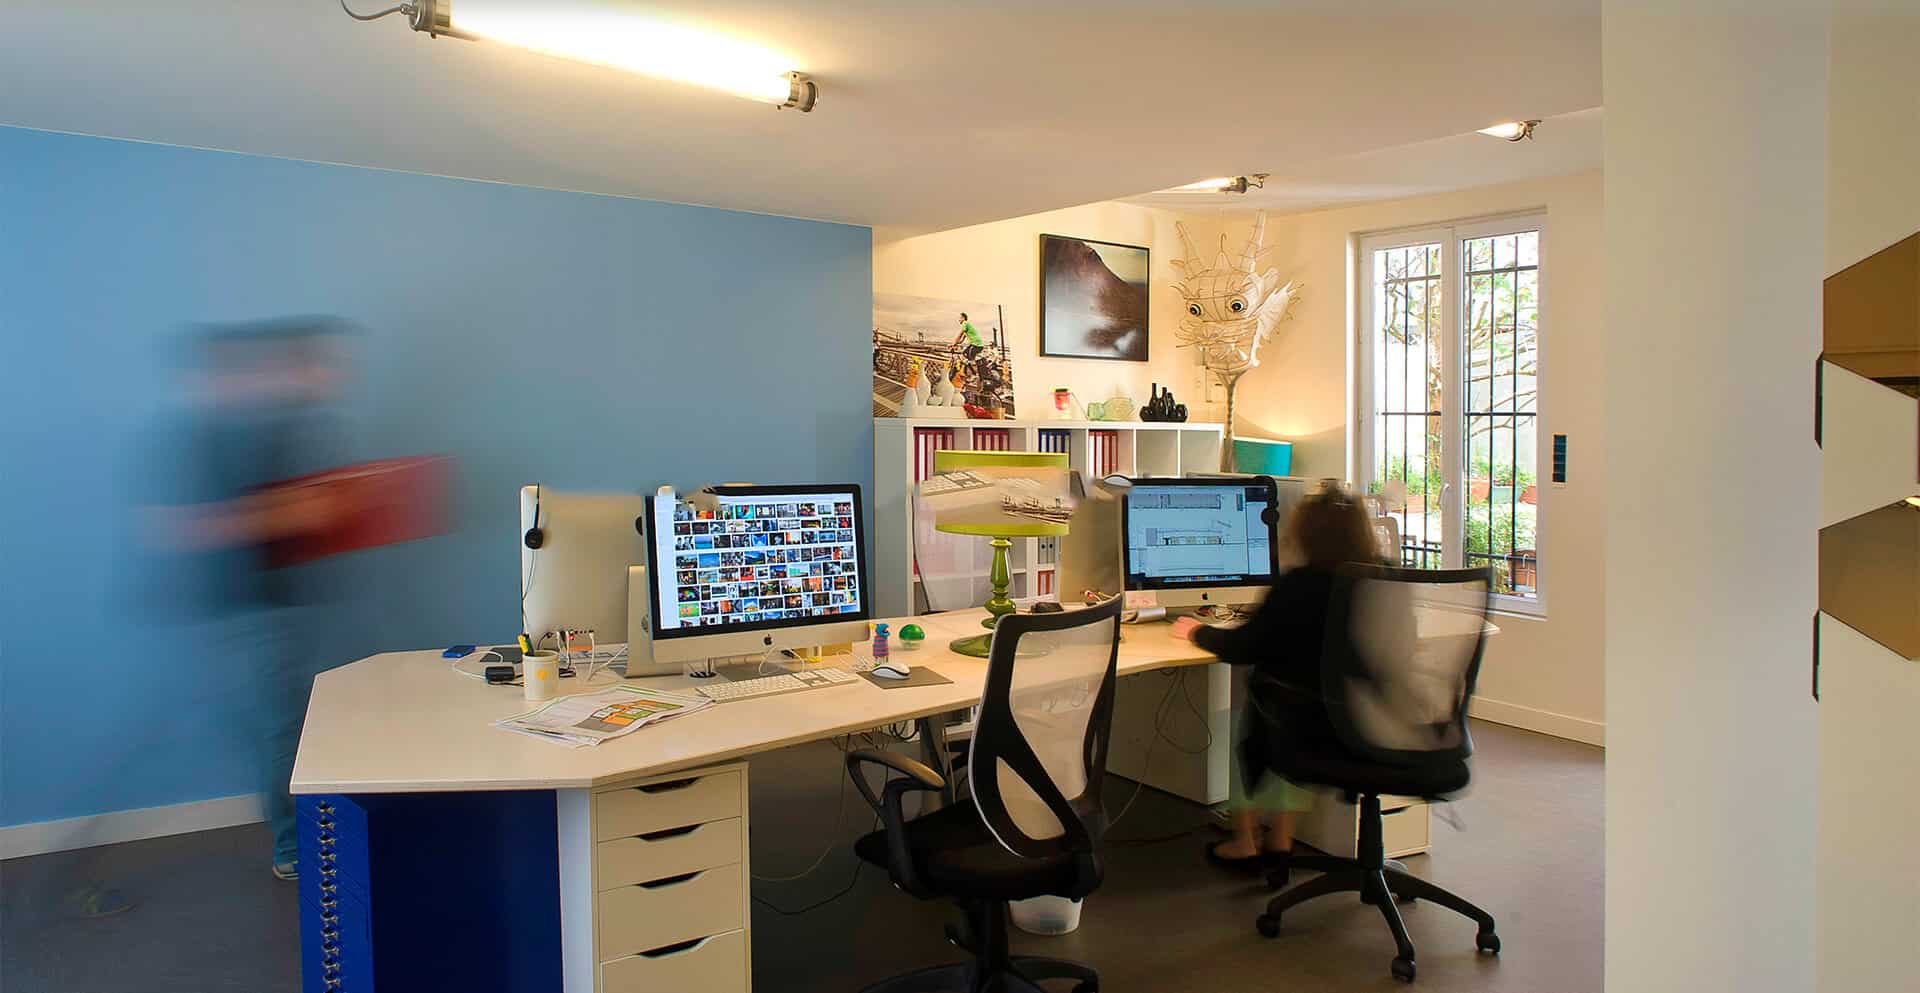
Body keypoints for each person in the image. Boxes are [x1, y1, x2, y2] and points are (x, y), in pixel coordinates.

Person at [1170, 484, 1387, 871]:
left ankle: (1245, 843)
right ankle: (1281, 839)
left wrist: (1197, 631)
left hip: (1304, 730)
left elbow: (1243, 648)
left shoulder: (1299, 585)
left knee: (1261, 718)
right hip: (1367, 728)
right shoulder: (1381, 583)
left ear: (1307, 536)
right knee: (1297, 710)